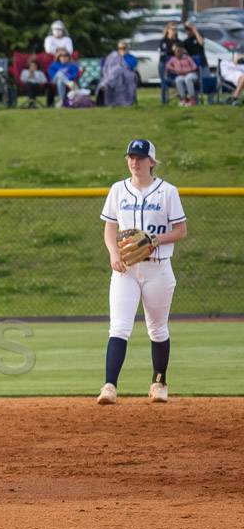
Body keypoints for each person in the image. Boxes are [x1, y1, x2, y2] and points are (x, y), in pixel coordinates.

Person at [97, 140, 187, 405]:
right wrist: (114, 254)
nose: (134, 162)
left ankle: (159, 383)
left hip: (157, 268)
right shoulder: (117, 190)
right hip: (126, 269)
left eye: (140, 157)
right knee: (119, 327)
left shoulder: (167, 192)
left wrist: (155, 241)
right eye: (131, 157)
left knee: (157, 329)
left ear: (152, 161)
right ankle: (109, 386)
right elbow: (110, 228)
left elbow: (181, 230)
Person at [100, 40, 137, 107]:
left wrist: (124, 57)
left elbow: (131, 66)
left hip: (126, 74)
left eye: (123, 48)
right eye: (120, 48)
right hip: (114, 76)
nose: (121, 50)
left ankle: (106, 83)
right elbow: (106, 66)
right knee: (116, 70)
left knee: (118, 68)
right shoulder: (113, 56)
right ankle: (108, 81)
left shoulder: (130, 57)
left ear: (126, 49)